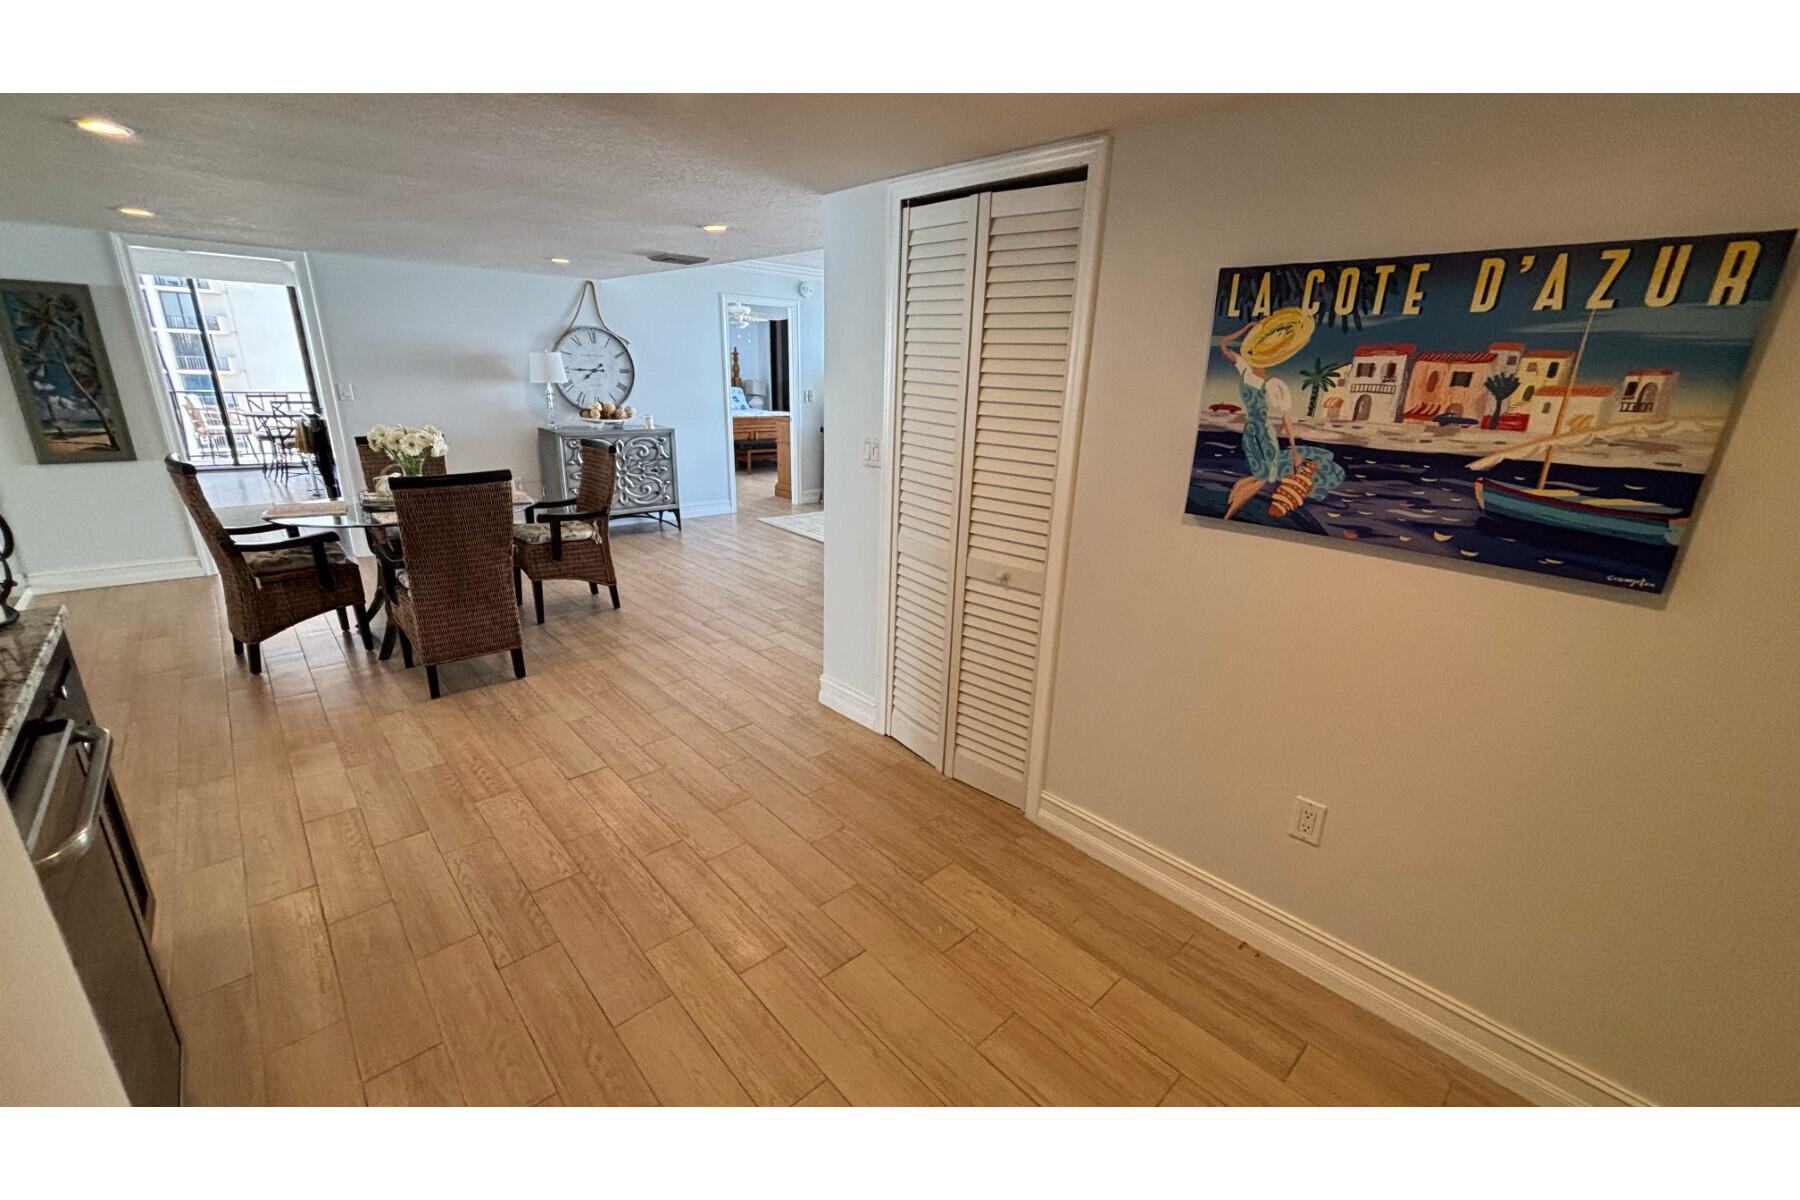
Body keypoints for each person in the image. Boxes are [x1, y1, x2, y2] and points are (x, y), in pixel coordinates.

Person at [1215, 307, 1345, 519]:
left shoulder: (1245, 371)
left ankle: (1228, 509)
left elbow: (1223, 344)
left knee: (1259, 475)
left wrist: (1246, 329)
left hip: (1250, 429)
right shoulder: (1272, 384)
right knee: (1263, 478)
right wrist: (1293, 451)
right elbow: (1285, 419)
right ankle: (1229, 514)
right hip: (1264, 431)